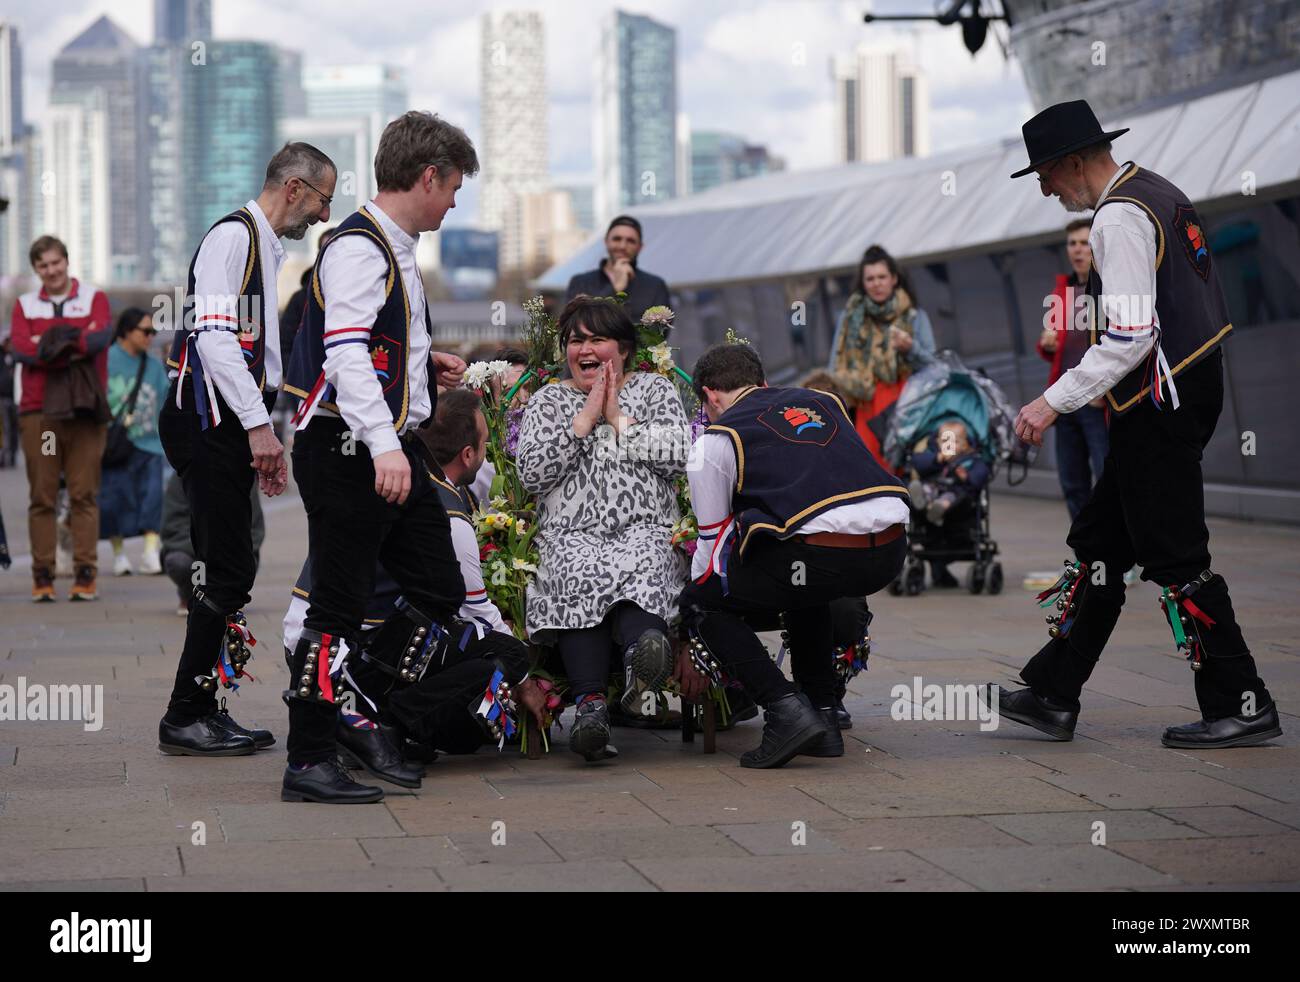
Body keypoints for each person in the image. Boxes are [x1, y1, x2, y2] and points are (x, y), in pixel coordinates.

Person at [999, 99, 1280, 749]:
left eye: (1044, 172)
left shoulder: (1117, 219)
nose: (1043, 187)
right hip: (1178, 393)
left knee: (1178, 557)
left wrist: (1051, 402)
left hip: (1157, 404)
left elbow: (1128, 336)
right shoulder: (1158, 191)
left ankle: (1242, 702)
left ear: (1073, 162)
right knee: (1101, 543)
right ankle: (1052, 693)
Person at [282, 110, 475, 803]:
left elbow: (380, 347)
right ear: (428, 176)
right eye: (453, 187)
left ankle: (354, 706)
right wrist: (385, 445)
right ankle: (309, 755)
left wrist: (427, 371)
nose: (455, 201)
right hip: (348, 447)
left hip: (384, 446)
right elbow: (347, 352)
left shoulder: (389, 245)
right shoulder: (362, 247)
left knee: (439, 591)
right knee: (334, 607)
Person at [157, 142, 336, 758]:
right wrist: (259, 428)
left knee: (228, 561)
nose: (322, 215)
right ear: (294, 187)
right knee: (226, 564)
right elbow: (213, 338)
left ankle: (202, 706)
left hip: (226, 420)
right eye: (322, 200)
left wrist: (263, 424)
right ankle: (186, 713)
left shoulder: (261, 245)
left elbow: (255, 347)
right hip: (209, 420)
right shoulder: (233, 238)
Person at [282, 388, 548, 781]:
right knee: (492, 661)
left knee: (449, 616)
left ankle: (366, 716)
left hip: (322, 643)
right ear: (468, 454)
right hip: (342, 652)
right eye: (486, 445)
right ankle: (381, 719)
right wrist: (524, 673)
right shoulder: (443, 513)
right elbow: (477, 614)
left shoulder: (406, 486)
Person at [676, 342, 911, 768]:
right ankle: (822, 716)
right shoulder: (823, 400)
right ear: (762, 381)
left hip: (822, 554)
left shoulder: (716, 440)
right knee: (803, 584)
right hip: (891, 546)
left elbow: (711, 549)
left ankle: (784, 709)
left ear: (709, 395)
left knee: (702, 602)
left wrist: (692, 604)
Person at [516, 295, 688, 762]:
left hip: (645, 526)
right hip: (570, 533)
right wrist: (584, 420)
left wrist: (616, 420)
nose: (585, 349)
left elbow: (678, 455)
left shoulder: (655, 391)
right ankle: (591, 708)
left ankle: (641, 666)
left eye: (598, 339)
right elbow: (531, 474)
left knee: (648, 559)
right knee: (572, 568)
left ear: (625, 349)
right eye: (576, 341)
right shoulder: (551, 399)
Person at [10, 235, 112, 601]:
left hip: (84, 411)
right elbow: (22, 349)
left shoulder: (94, 297)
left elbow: (99, 340)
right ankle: (43, 576)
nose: (51, 271)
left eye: (55, 263)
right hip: (41, 415)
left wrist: (48, 343)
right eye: (43, 266)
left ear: (66, 262)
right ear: (36, 270)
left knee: (85, 494)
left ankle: (86, 574)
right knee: (43, 495)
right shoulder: (23, 305)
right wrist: (71, 340)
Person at [828, 244, 936, 465]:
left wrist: (910, 348)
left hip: (906, 406)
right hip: (864, 405)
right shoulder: (849, 318)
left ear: (894, 279)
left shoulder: (915, 315)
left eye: (882, 277)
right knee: (870, 469)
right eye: (870, 279)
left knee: (907, 468)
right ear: (863, 283)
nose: (876, 283)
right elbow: (835, 366)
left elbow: (934, 366)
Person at [1038, 218, 1108, 521]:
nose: (1078, 250)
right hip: (1066, 400)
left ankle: (1120, 555)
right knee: (1071, 481)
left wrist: (1107, 390)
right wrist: (1047, 344)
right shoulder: (1063, 289)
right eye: (1072, 244)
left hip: (1097, 400)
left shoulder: (1108, 286)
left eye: (1084, 243)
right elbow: (1055, 348)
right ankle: (1087, 553)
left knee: (1107, 477)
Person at [99, 308, 169, 576]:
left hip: (150, 442)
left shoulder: (151, 364)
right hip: (114, 444)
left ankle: (151, 552)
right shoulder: (106, 360)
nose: (150, 337)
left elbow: (165, 399)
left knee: (152, 497)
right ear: (126, 331)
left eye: (153, 332)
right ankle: (119, 555)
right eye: (146, 331)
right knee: (114, 500)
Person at [161, 472, 265, 617]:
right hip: (194, 551)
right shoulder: (184, 472)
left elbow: (254, 527)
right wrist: (205, 548)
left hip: (230, 551)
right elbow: (173, 526)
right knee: (180, 562)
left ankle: (229, 598)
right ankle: (190, 594)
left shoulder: (241, 471)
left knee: (235, 566)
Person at [565, 216, 671, 325]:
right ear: (606, 241)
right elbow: (572, 326)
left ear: (640, 247)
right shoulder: (580, 282)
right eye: (617, 239)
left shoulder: (655, 286)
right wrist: (615, 288)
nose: (622, 246)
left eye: (630, 241)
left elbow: (660, 333)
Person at [908, 418, 991, 527]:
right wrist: (936, 459)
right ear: (938, 442)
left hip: (954, 492)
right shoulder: (933, 453)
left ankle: (937, 510)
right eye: (945, 441)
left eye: (955, 442)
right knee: (923, 488)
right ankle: (923, 506)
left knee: (950, 498)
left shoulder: (970, 460)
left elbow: (981, 473)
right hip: (932, 486)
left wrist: (967, 477)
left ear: (964, 445)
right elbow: (917, 462)